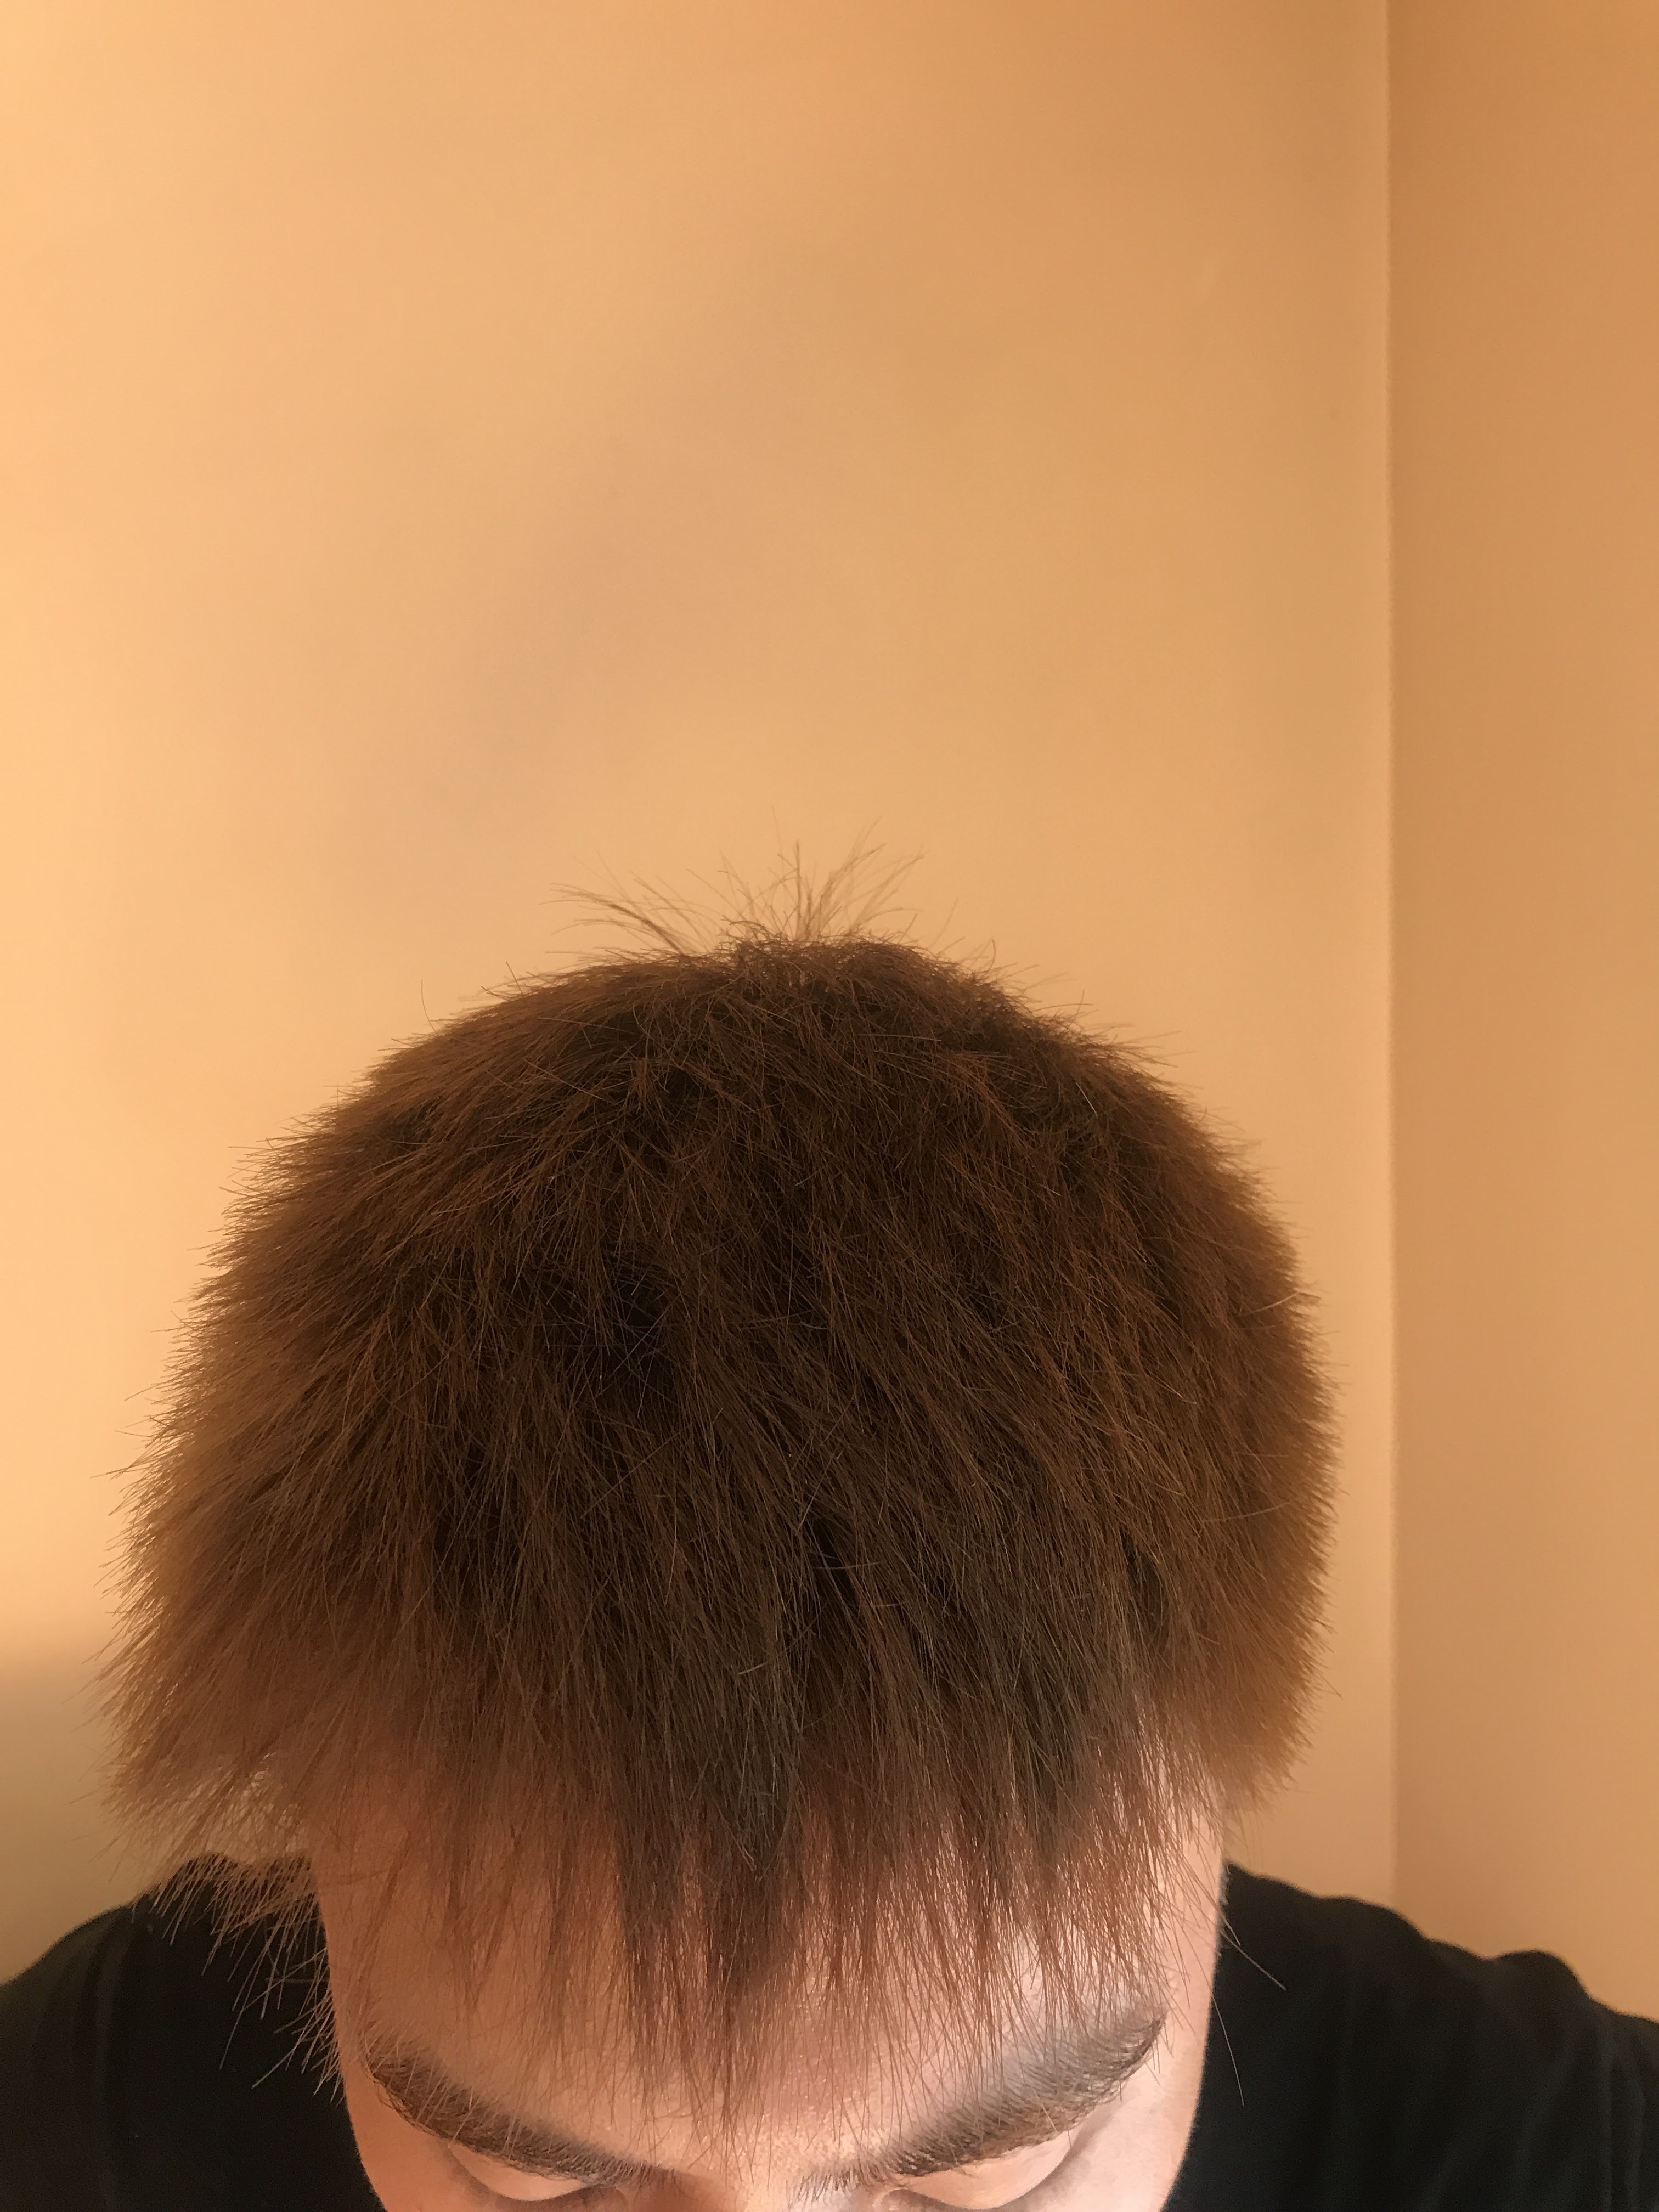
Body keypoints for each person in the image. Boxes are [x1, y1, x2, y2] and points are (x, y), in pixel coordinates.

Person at [2, 915, 1655, 2211]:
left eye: (982, 2176)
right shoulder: (89, 2119)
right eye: (533, 2178)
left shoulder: (1560, 2154)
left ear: (1209, 1809)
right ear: (303, 1838)